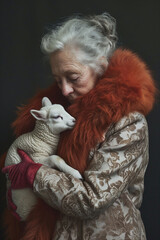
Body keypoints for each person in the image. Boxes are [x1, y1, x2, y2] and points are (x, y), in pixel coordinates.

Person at [1, 12, 156, 240]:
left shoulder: (129, 124)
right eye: (58, 80)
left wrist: (34, 174)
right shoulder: (58, 114)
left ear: (100, 66)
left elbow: (91, 199)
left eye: (73, 77)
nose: (64, 90)